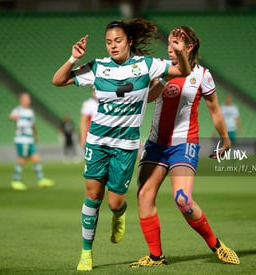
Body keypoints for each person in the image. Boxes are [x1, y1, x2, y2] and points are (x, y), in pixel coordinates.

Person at [52, 18, 191, 271]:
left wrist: (180, 54)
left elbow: (182, 72)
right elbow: (58, 80)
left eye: (117, 41)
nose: (113, 46)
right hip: (98, 141)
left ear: (129, 41)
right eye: (108, 42)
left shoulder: (146, 65)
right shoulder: (97, 67)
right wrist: (73, 58)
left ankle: (118, 214)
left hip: (125, 146)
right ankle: (86, 252)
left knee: (115, 202)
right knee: (93, 195)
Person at [130, 26, 240, 268]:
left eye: (176, 44)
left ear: (189, 47)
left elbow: (214, 109)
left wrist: (226, 139)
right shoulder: (161, 68)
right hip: (156, 145)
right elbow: (148, 98)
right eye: (169, 43)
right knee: (144, 196)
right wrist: (164, 78)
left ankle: (216, 245)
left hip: (184, 144)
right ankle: (156, 257)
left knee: (182, 200)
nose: (170, 48)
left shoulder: (202, 74)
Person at [9, 92, 54, 190]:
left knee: (36, 158)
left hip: (30, 139)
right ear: (21, 100)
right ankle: (15, 181)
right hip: (22, 139)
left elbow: (33, 124)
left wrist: (36, 134)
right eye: (26, 99)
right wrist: (14, 118)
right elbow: (11, 116)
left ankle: (41, 180)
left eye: (28, 99)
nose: (28, 100)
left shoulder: (30, 111)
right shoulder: (18, 110)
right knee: (22, 159)